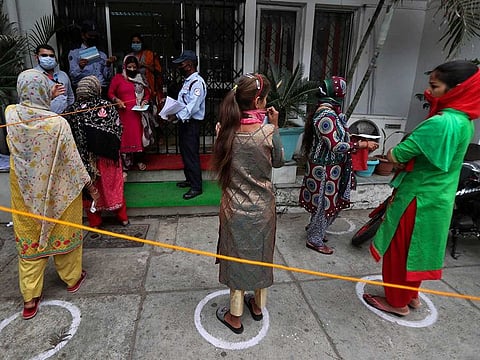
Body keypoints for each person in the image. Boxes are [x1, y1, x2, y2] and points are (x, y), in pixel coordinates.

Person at [363, 60, 480, 316]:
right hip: (439, 198)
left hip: (418, 197)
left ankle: (397, 302)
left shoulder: (441, 122)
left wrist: (392, 152)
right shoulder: (465, 122)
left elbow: (398, 154)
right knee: (419, 249)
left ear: (456, 89)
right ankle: (411, 295)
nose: (429, 91)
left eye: (434, 86)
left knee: (399, 251)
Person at [5, 69, 99, 320]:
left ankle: (30, 298)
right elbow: (73, 161)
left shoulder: (10, 115)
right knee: (63, 233)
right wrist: (90, 186)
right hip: (59, 192)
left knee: (31, 240)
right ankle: (72, 279)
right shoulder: (57, 124)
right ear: (42, 91)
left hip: (24, 193)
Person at [212, 73, 284, 334]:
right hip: (263, 209)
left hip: (233, 208)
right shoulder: (268, 133)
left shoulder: (224, 131)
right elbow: (279, 162)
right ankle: (257, 305)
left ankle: (235, 314)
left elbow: (220, 161)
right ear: (257, 100)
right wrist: (275, 126)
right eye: (264, 99)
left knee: (237, 258)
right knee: (261, 256)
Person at [299, 76, 378, 255]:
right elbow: (335, 145)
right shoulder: (325, 116)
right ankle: (314, 239)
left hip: (330, 167)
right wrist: (361, 145)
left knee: (325, 203)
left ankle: (315, 229)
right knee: (324, 205)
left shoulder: (331, 113)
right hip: (325, 169)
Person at [64, 76, 128, 228]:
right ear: (96, 89)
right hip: (108, 159)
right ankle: (123, 217)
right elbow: (118, 128)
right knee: (113, 186)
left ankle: (95, 222)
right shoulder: (106, 106)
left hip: (84, 161)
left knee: (90, 188)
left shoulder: (71, 110)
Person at [169, 50, 207, 200]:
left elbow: (193, 107)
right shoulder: (188, 81)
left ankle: (196, 187)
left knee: (191, 154)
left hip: (192, 124)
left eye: (182, 64)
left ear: (190, 65)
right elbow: (183, 103)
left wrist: (176, 115)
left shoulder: (197, 83)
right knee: (185, 153)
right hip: (185, 123)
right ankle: (190, 179)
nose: (179, 66)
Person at [108, 55, 151, 172]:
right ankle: (126, 162)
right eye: (129, 67)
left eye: (134, 67)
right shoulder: (118, 78)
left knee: (138, 137)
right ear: (124, 67)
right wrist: (117, 101)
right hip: (124, 113)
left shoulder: (140, 78)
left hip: (138, 113)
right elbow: (111, 93)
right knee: (125, 137)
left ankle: (139, 160)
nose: (132, 69)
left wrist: (145, 100)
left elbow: (147, 93)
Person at [68, 20, 117, 94]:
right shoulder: (74, 54)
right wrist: (80, 67)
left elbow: (108, 77)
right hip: (85, 91)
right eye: (90, 35)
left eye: (95, 36)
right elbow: (72, 77)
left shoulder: (102, 55)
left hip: (102, 89)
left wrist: (108, 65)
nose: (93, 38)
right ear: (83, 35)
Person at [33, 44, 74, 114]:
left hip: (65, 117)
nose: (48, 58)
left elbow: (70, 97)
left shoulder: (63, 75)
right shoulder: (32, 76)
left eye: (51, 56)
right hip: (46, 119)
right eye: (44, 55)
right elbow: (32, 104)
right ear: (36, 58)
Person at [129, 33, 164, 107]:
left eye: (138, 42)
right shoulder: (129, 57)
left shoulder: (149, 55)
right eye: (134, 42)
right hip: (133, 90)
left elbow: (158, 71)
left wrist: (145, 65)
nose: (135, 44)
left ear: (142, 43)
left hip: (149, 88)